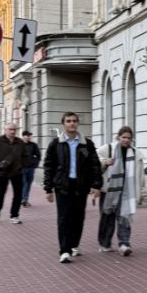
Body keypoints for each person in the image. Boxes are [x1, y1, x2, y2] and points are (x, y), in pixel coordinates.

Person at [42, 112, 102, 263]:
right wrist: (48, 188)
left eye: (74, 121)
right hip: (63, 185)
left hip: (81, 186)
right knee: (64, 218)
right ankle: (64, 250)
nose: (72, 123)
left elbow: (94, 165)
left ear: (78, 123)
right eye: (68, 121)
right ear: (63, 124)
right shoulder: (56, 144)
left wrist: (96, 185)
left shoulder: (86, 143)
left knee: (78, 217)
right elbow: (49, 166)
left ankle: (74, 245)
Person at [97, 126, 139, 256]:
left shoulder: (134, 152)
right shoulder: (108, 148)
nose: (126, 140)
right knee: (107, 217)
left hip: (126, 190)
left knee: (124, 216)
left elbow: (138, 173)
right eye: (123, 137)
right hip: (108, 190)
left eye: (128, 138)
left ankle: (124, 243)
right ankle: (105, 243)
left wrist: (140, 191)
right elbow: (94, 159)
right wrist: (105, 161)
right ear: (118, 137)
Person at [0, 124, 26, 224]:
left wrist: (22, 165)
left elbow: (25, 156)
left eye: (14, 129)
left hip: (17, 172)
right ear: (5, 130)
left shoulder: (20, 142)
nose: (12, 131)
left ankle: (14, 215)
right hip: (2, 172)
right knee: (0, 193)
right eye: (10, 129)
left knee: (18, 194)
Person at [20, 130, 41, 206]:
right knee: (24, 184)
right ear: (23, 136)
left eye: (30, 136)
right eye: (27, 135)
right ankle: (23, 199)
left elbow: (38, 155)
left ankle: (24, 200)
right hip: (22, 168)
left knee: (28, 184)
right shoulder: (19, 145)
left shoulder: (33, 145)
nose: (29, 137)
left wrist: (35, 164)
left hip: (31, 168)